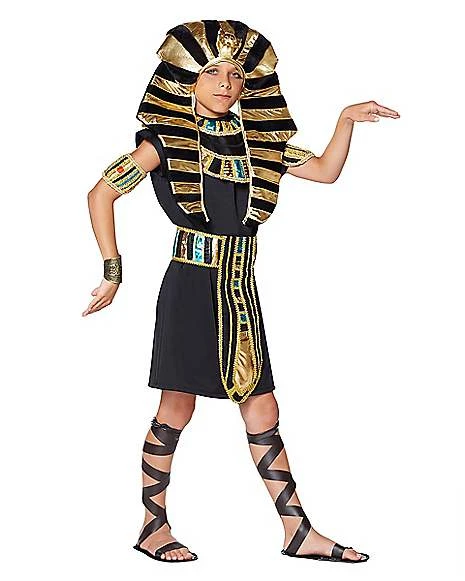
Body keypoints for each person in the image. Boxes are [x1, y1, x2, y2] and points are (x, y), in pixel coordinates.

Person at [83, 19, 400, 564]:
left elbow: (325, 171)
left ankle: (297, 530)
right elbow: (100, 194)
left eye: (234, 74)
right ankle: (153, 527)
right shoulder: (164, 140)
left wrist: (345, 120)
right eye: (212, 73)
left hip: (239, 288)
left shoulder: (261, 142)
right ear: (188, 80)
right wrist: (113, 271)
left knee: (262, 404)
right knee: (176, 406)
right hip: (189, 286)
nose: (225, 83)